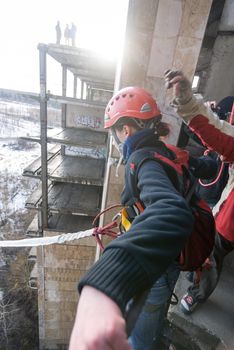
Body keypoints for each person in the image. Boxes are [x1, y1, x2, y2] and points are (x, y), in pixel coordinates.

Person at [69, 86, 217, 350]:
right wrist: (218, 160)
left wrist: (105, 282)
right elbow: (202, 167)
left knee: (141, 333)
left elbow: (170, 210)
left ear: (125, 131)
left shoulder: (143, 162)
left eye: (115, 131)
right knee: (151, 312)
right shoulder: (166, 150)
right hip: (174, 252)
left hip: (161, 263)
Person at [164, 70, 234, 314]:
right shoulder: (228, 108)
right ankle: (198, 289)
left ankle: (198, 292)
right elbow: (219, 132)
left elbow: (219, 135)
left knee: (212, 252)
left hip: (227, 216)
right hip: (226, 209)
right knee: (213, 248)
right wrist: (186, 102)